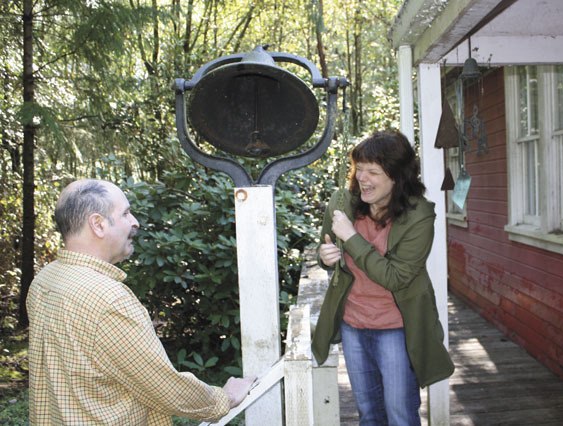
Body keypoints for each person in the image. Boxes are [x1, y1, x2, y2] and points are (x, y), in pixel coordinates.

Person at [27, 178, 255, 425]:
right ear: (98, 224)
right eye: (125, 213)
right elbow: (166, 388)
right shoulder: (109, 300)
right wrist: (225, 398)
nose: (135, 221)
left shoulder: (44, 281)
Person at [311, 130, 454, 425]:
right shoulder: (343, 203)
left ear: (397, 176)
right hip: (353, 325)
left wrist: (350, 238)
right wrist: (324, 256)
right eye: (359, 168)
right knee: (369, 413)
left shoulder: (419, 217)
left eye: (373, 171)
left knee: (400, 414)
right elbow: (326, 246)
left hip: (396, 329)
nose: (362, 178)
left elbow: (395, 277)